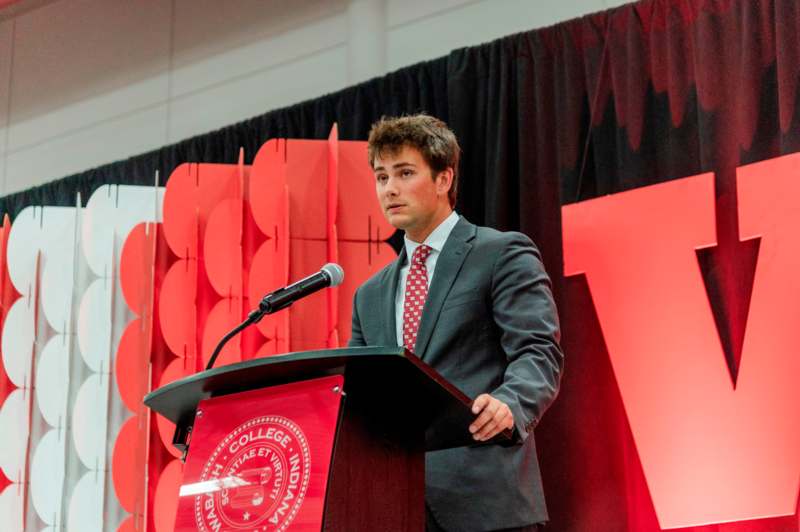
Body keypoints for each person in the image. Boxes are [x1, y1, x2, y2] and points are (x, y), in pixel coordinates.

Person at [348, 114, 563, 532]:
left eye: (405, 173)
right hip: (392, 507)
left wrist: (512, 403)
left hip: (484, 502)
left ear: (444, 178)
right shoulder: (368, 295)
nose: (389, 188)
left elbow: (539, 351)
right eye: (380, 176)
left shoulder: (500, 253)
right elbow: (361, 394)